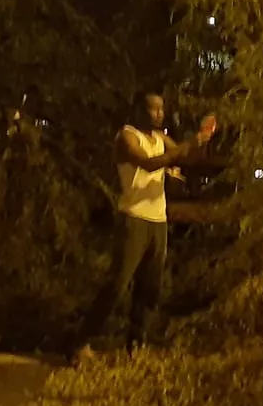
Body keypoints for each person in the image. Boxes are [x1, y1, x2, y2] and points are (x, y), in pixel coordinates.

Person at [79, 91, 216, 348]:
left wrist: (201, 141)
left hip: (158, 220)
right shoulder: (128, 136)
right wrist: (190, 143)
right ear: (139, 110)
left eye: (161, 109)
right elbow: (150, 164)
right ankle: (79, 342)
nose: (159, 113)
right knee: (117, 285)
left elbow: (185, 157)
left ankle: (136, 345)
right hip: (133, 218)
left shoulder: (160, 137)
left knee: (149, 288)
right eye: (153, 109)